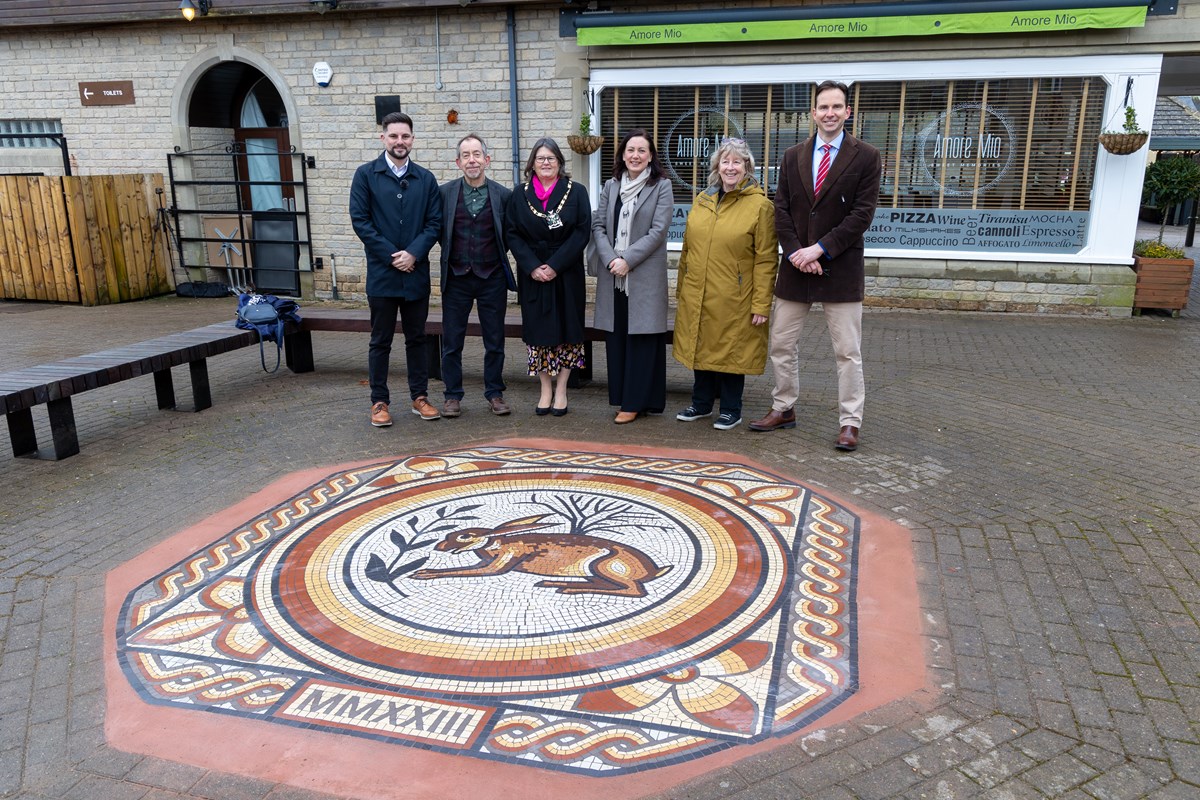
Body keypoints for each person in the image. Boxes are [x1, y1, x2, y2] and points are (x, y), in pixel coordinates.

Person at [748, 80, 882, 452]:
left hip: (840, 268)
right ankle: (783, 407)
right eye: (823, 107)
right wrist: (796, 252)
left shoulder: (867, 156)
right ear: (813, 113)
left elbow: (861, 215)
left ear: (847, 112)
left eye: (837, 107)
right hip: (795, 267)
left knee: (847, 352)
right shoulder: (793, 155)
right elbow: (782, 208)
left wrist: (819, 250)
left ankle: (850, 422)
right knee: (782, 344)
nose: (830, 113)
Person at [672, 138, 778, 431]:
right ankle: (701, 403)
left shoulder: (760, 206)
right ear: (717, 166)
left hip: (736, 295)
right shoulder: (702, 200)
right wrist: (683, 288)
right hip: (699, 289)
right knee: (701, 343)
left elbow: (766, 260)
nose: (730, 168)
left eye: (737, 162)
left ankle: (732, 408)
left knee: (733, 350)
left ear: (747, 167)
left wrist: (761, 303)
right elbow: (687, 249)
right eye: (725, 162)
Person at [349, 111, 444, 427]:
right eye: (394, 136)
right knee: (380, 341)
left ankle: (420, 396)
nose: (399, 141)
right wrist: (393, 256)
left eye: (405, 136)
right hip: (383, 274)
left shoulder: (426, 179)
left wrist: (414, 253)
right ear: (383, 138)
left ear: (412, 139)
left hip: (415, 274)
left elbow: (434, 223)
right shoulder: (365, 176)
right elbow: (361, 222)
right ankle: (379, 401)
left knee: (417, 338)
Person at [589, 128, 673, 424]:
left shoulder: (661, 186)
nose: (635, 155)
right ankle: (624, 397)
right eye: (630, 150)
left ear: (650, 156)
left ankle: (636, 403)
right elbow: (598, 226)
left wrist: (627, 259)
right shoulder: (611, 185)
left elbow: (658, 231)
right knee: (618, 337)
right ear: (622, 155)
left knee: (643, 339)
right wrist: (612, 259)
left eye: (641, 150)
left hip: (643, 277)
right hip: (614, 276)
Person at [506, 137, 591, 416]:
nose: (545, 163)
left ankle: (562, 389)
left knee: (568, 331)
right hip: (533, 273)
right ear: (532, 163)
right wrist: (532, 266)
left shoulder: (576, 191)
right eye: (540, 158)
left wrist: (555, 265)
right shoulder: (519, 194)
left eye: (551, 158)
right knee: (538, 332)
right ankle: (545, 389)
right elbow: (512, 233)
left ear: (560, 163)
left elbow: (582, 231)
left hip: (566, 272)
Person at [437, 134, 515, 418]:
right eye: (466, 155)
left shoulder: (503, 196)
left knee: (494, 340)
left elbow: (509, 234)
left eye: (477, 154)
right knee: (452, 340)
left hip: (491, 277)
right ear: (458, 162)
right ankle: (452, 395)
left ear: (487, 159)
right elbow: (436, 231)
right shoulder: (444, 194)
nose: (472, 160)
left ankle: (494, 392)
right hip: (456, 277)